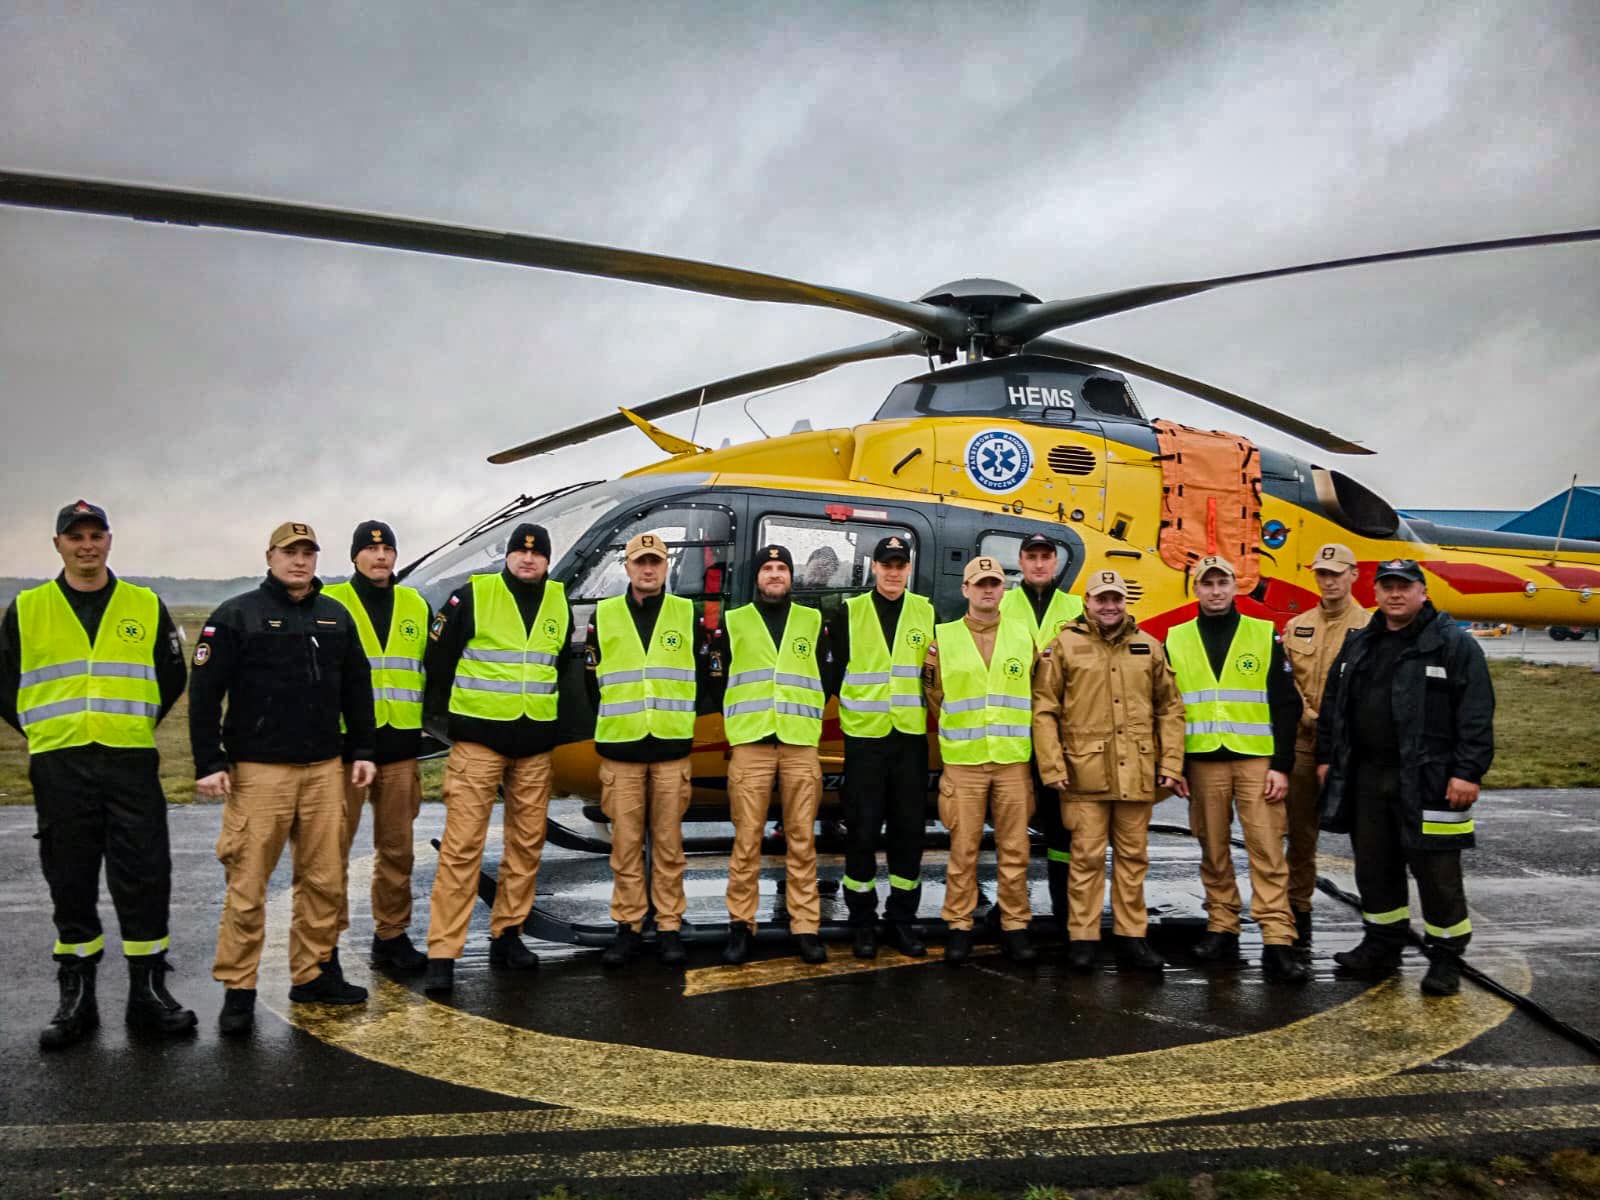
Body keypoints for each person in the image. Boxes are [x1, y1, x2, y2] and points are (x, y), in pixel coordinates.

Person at [1, 500, 195, 1048]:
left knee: (145, 874)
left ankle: (148, 993)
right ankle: (76, 998)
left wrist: (131, 723)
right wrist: (43, 729)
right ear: (58, 544)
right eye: (75, 536)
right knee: (70, 876)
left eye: (96, 535)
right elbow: (5, 683)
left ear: (109, 540)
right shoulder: (28, 607)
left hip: (129, 759)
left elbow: (171, 676)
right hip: (59, 763)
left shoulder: (144, 603)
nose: (87, 545)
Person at [191, 521, 376, 1036]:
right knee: (247, 883)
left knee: (324, 879)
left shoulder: (335, 616)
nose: (299, 561)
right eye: (290, 552)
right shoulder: (237, 615)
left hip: (323, 770)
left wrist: (362, 749)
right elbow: (204, 693)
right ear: (270, 556)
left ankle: (314, 973)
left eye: (308, 552)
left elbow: (357, 687)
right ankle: (239, 987)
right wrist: (209, 761)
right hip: (260, 773)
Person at [1316, 559, 1494, 997]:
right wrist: (1326, 758)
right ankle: (1382, 945)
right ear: (1376, 593)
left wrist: (1467, 772)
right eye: (1388, 587)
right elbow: (1334, 704)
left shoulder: (1453, 645)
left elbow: (1476, 713)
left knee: (1438, 874)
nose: (1395, 594)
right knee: (1374, 868)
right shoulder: (1361, 642)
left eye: (1405, 587)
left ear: (1423, 592)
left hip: (1431, 780)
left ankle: (1446, 958)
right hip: (1368, 777)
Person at [421, 522, 574, 993]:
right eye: (520, 552)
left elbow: (559, 665)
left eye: (537, 553)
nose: (528, 559)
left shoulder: (558, 601)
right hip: (479, 744)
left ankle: (508, 934)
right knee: (462, 847)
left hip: (533, 746)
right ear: (508, 556)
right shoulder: (473, 596)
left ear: (547, 560)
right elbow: (438, 661)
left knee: (526, 845)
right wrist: (449, 724)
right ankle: (443, 952)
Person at [1032, 569, 1186, 974]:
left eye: (1116, 598)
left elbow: (1171, 709)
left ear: (1124, 601)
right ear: (1087, 602)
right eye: (1101, 599)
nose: (1109, 606)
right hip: (1083, 775)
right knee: (1085, 858)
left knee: (1133, 859)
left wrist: (1171, 764)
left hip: (1136, 772)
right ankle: (1083, 938)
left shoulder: (1148, 647)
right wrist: (1052, 765)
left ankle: (1132, 937)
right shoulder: (1063, 646)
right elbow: (1044, 710)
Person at [1164, 554, 1308, 984]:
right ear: (1195, 588)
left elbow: (1286, 704)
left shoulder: (1263, 634)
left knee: (1267, 849)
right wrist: (1178, 763)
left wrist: (1281, 766)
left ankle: (1277, 938)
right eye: (1207, 583)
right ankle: (1222, 926)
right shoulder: (1176, 638)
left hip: (1255, 761)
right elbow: (1169, 709)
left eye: (1222, 582)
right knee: (1213, 849)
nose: (1215, 591)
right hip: (1203, 762)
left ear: (1235, 586)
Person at [584, 532, 723, 969]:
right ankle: (627, 927)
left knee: (668, 847)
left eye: (656, 562)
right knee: (625, 848)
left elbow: (706, 674)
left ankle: (668, 926)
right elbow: (591, 681)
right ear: (627, 567)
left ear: (665, 567)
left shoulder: (687, 615)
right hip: (622, 750)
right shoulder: (603, 615)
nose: (648, 569)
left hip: (670, 749)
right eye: (640, 562)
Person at [324, 521, 431, 972]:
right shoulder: (331, 603)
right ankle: (324, 945)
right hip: (346, 750)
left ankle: (391, 935)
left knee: (397, 850)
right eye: (371, 549)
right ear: (355, 556)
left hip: (399, 746)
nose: (381, 556)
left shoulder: (415, 604)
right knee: (330, 851)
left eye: (388, 548)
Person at [826, 535, 934, 959]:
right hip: (864, 741)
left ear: (909, 568)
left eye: (899, 565)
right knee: (862, 832)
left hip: (909, 741)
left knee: (909, 834)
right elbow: (835, 671)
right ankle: (863, 922)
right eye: (886, 564)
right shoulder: (849, 611)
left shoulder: (926, 612)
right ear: (874, 567)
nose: (893, 572)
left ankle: (901, 920)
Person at [925, 555, 1036, 966]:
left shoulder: (1023, 636)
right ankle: (959, 925)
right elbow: (934, 694)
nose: (988, 590)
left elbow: (1038, 689)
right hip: (964, 762)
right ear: (965, 589)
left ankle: (1015, 925)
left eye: (994, 583)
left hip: (1011, 761)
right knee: (963, 850)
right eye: (980, 584)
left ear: (1003, 589)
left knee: (1015, 849)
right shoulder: (944, 639)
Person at [721, 544, 828, 965]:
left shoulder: (812, 621)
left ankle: (806, 926)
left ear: (791, 575)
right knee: (746, 840)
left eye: (782, 567)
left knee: (802, 839)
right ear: (757, 577)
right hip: (751, 744)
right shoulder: (735, 621)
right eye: (767, 568)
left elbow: (827, 673)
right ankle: (740, 926)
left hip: (799, 743)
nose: (775, 574)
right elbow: (718, 677)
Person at [1281, 542, 1369, 950]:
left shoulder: (1370, 629)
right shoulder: (1297, 626)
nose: (1329, 580)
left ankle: (1379, 921)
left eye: (1336, 573)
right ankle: (1298, 910)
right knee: (1300, 834)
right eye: (1322, 573)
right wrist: (1309, 716)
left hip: (1350, 749)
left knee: (1367, 836)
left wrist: (1337, 727)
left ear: (1353, 575)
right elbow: (1287, 681)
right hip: (1303, 744)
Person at [998, 533, 1084, 933]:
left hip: (1060, 735)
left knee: (1062, 826)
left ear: (1055, 562)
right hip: (1014, 732)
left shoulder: (1076, 608)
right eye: (1031, 557)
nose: (1038, 564)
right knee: (1011, 827)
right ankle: (1008, 909)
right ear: (1020, 561)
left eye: (1045, 557)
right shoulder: (1002, 604)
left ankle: (1065, 910)